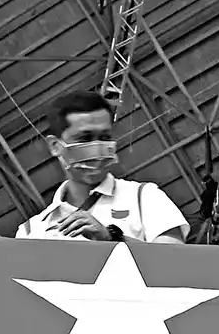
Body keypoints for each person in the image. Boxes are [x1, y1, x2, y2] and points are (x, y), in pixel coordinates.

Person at [16, 91, 189, 244]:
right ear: (55, 146)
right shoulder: (31, 231)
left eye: (104, 137)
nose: (98, 147)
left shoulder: (144, 197)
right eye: (85, 138)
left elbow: (174, 263)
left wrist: (112, 238)